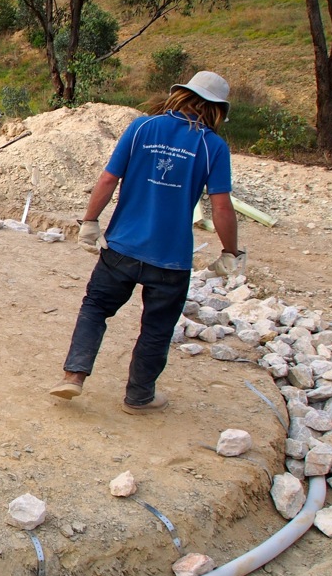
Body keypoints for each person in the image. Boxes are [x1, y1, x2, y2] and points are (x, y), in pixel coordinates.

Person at [49, 71, 242, 414]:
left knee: (95, 308)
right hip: (171, 260)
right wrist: (229, 251)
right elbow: (222, 206)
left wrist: (90, 222)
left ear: (182, 95)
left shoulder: (142, 128)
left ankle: (73, 376)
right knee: (156, 328)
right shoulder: (213, 147)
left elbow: (109, 178)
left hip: (122, 247)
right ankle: (139, 397)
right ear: (217, 109)